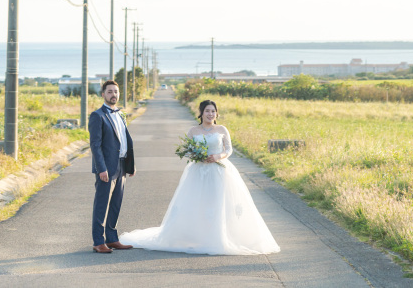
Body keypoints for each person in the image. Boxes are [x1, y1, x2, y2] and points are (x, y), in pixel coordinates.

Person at [120, 99, 280, 255]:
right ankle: (196, 235)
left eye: (213, 111)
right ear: (201, 113)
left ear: (216, 113)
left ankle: (218, 236)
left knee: (218, 202)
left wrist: (218, 156)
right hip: (198, 171)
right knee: (197, 202)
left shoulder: (222, 129)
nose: (210, 114)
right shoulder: (193, 131)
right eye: (207, 111)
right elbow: (188, 150)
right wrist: (198, 156)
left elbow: (229, 149)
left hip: (219, 170)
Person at [89, 80, 135, 253]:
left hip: (122, 165)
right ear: (103, 94)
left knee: (116, 204)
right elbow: (95, 145)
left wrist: (130, 164)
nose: (113, 95)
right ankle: (98, 241)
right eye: (109, 92)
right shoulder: (97, 116)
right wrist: (101, 169)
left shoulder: (120, 114)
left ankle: (112, 238)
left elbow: (124, 141)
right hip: (106, 169)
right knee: (102, 205)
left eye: (116, 91)